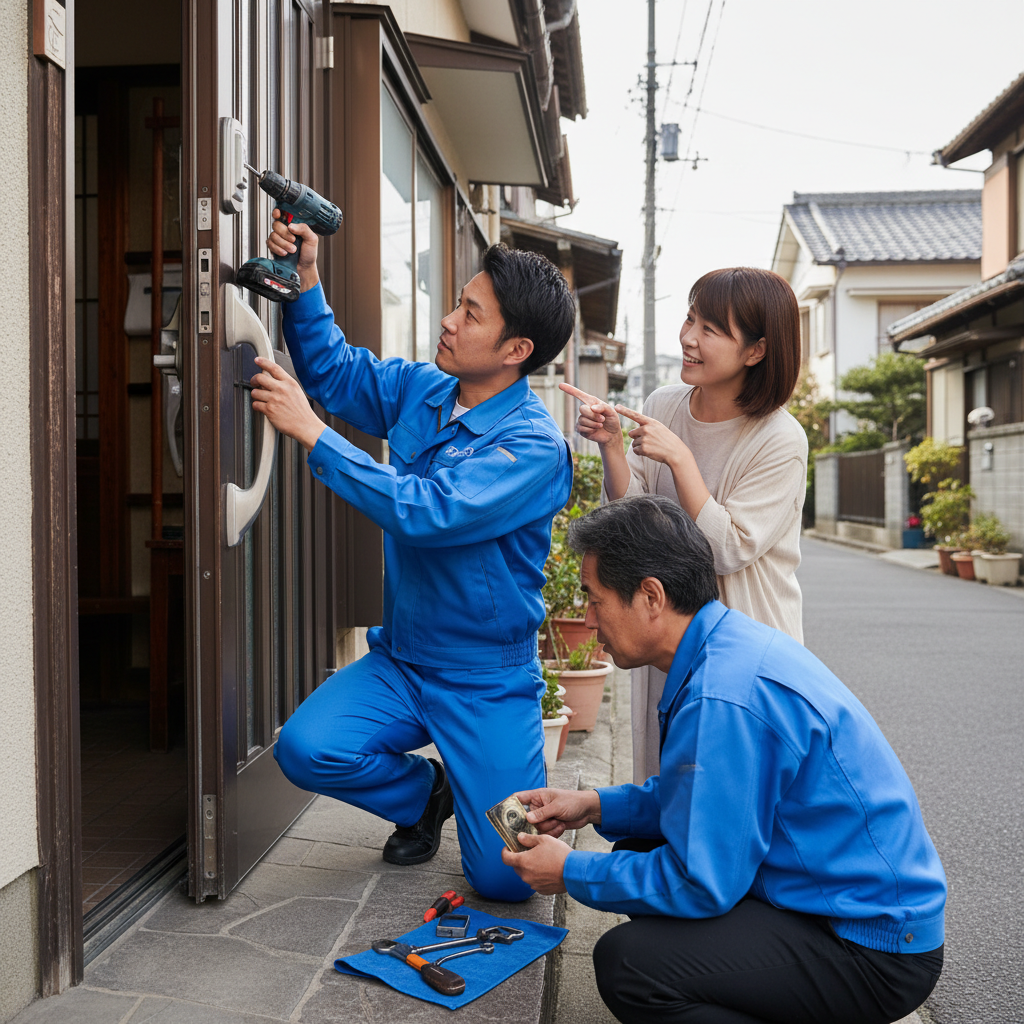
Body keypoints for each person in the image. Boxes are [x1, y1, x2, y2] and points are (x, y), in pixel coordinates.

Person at [503, 494, 946, 1024]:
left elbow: (701, 881)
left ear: (651, 596)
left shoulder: (723, 695)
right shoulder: (724, 647)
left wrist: (571, 871)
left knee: (629, 965)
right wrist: (593, 804)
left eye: (595, 599)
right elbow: (707, 799)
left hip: (871, 946)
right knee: (642, 842)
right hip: (830, 898)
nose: (590, 619)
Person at [247, 213, 575, 901]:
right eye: (459, 302)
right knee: (306, 748)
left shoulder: (533, 447)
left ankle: (484, 774)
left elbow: (429, 510)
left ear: (516, 348)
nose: (450, 321)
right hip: (403, 659)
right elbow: (337, 374)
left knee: (509, 878)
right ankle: (425, 793)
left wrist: (313, 435)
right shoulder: (426, 390)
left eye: (471, 313)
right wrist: (306, 282)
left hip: (488, 681)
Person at [561, 267, 806, 783]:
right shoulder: (663, 406)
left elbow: (728, 550)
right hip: (667, 628)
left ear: (757, 351)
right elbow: (637, 521)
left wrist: (681, 461)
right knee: (666, 780)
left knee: (729, 792)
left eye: (711, 329)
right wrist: (611, 446)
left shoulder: (781, 439)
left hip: (745, 638)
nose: (689, 338)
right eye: (691, 318)